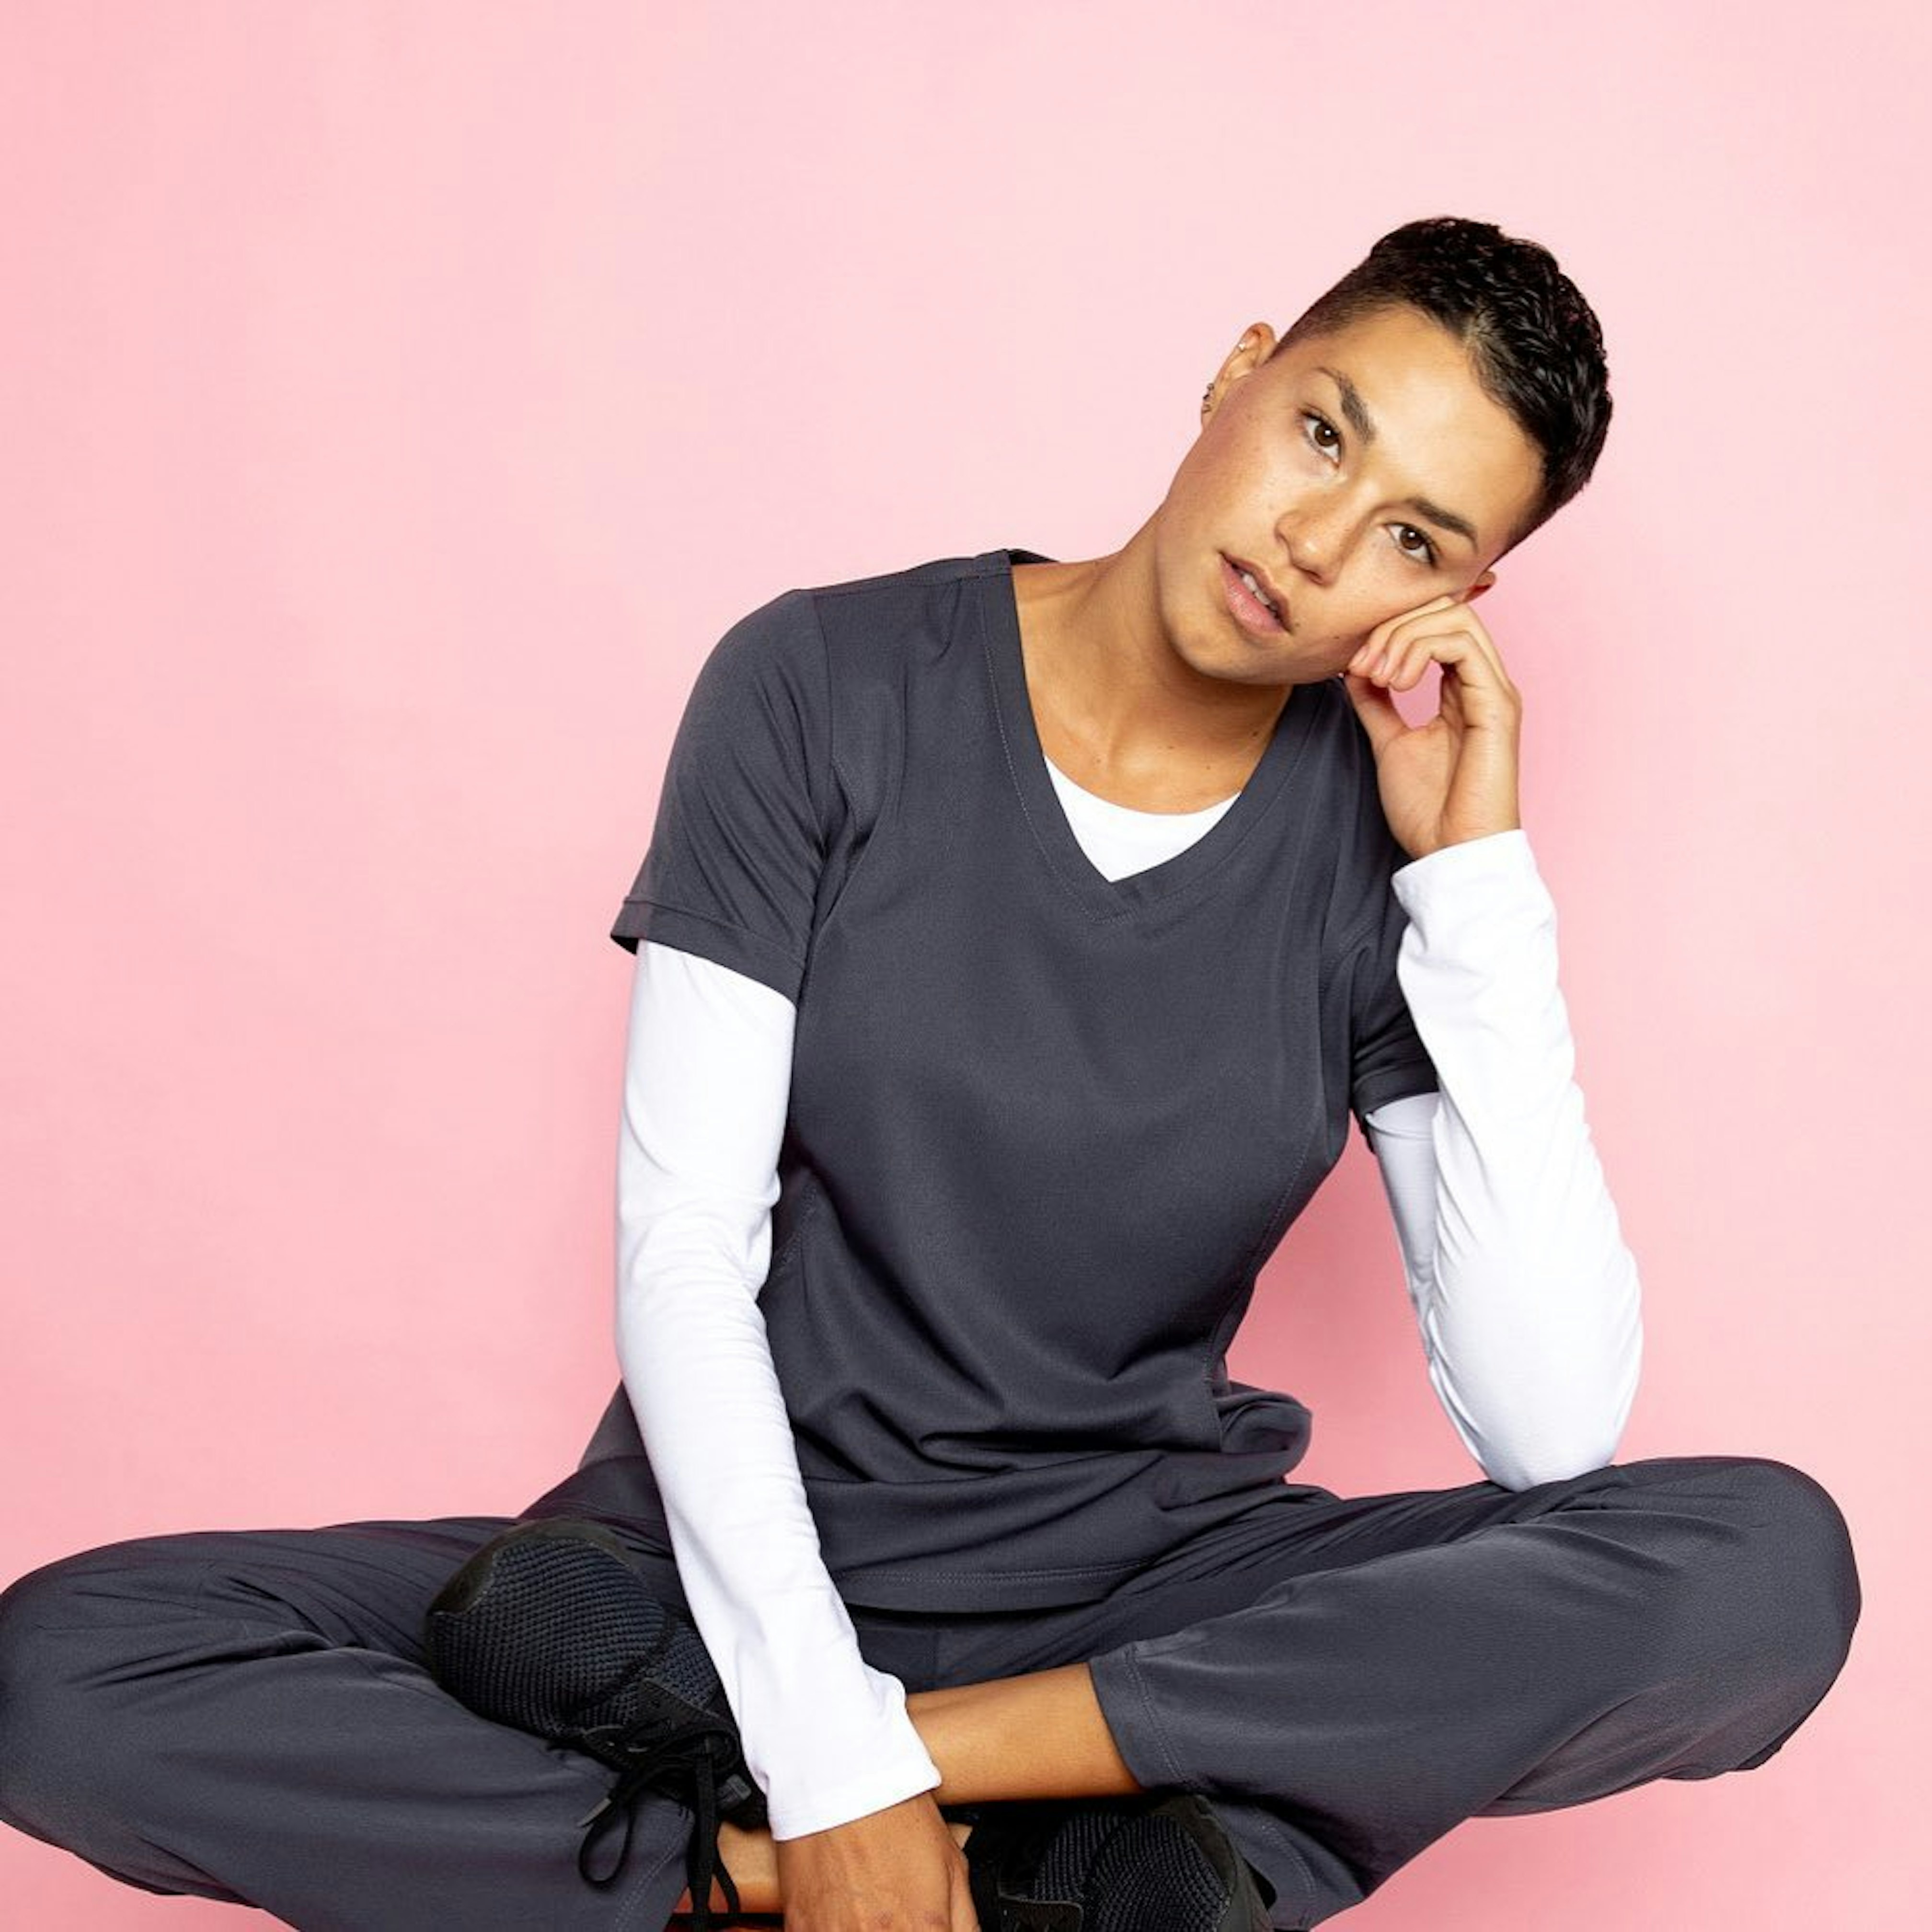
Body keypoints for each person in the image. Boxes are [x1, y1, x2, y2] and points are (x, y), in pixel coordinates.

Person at [0, 216, 1860, 1932]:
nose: (1319, 538)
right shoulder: (826, 686)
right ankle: (914, 1869)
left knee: (1767, 1569)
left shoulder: (1375, 852)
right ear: (1241, 374)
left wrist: (1476, 879)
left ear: (1452, 601)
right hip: (705, 1568)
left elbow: (1548, 1436)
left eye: (1415, 537)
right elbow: (681, 1255)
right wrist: (816, 1750)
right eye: (1325, 435)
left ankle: (924, 1800)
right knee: (69, 1671)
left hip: (1130, 1590)